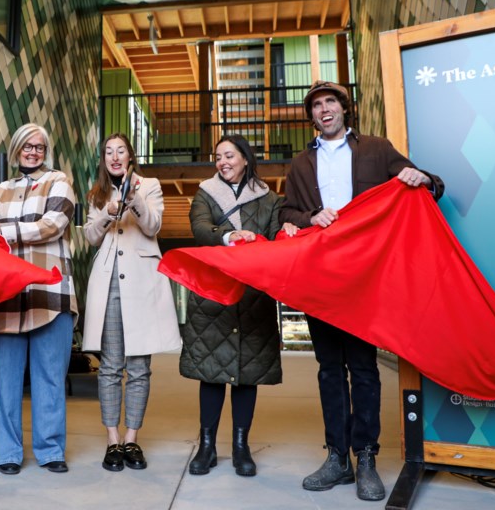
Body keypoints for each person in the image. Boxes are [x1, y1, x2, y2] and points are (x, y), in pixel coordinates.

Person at [280, 80, 444, 502]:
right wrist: (312, 215)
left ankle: (366, 457)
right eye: (316, 105)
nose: (324, 109)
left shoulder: (375, 149)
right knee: (329, 368)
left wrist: (419, 175)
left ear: (343, 108)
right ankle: (337, 458)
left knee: (364, 368)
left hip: (367, 277)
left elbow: (429, 185)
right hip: (322, 278)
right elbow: (286, 213)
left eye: (330, 101)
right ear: (311, 116)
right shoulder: (300, 164)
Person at [0, 123, 77, 475]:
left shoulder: (59, 181)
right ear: (16, 150)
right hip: (8, 294)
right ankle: (7, 453)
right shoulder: (1, 190)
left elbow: (52, 225)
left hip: (50, 292)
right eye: (27, 146)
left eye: (39, 146)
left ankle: (50, 450)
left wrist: (3, 230)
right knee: (4, 380)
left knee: (49, 377)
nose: (33, 151)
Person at [180, 134, 284, 478]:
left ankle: (241, 446)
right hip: (213, 295)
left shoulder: (268, 198)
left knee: (246, 374)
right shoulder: (205, 193)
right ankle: (207, 446)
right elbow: (199, 229)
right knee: (210, 372)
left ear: (244, 158)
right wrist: (229, 237)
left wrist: (266, 237)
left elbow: (274, 237)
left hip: (252, 295)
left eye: (229, 155)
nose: (222, 162)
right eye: (218, 157)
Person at [81, 134, 182, 472]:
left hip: (141, 280)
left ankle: (132, 438)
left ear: (130, 155)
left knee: (139, 367)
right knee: (109, 367)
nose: (114, 156)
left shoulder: (149, 185)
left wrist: (134, 198)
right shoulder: (96, 193)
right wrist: (107, 214)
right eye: (108, 152)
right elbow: (90, 236)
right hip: (108, 280)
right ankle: (112, 441)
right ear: (103, 159)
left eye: (120, 150)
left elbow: (153, 226)